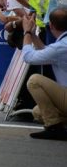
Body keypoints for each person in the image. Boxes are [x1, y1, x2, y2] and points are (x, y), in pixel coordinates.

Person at [22, 8, 67, 140]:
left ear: (51, 26)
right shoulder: (62, 45)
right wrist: (34, 36)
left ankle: (54, 127)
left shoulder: (61, 46)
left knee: (34, 80)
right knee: (38, 112)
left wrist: (27, 32)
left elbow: (29, 57)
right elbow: (48, 52)